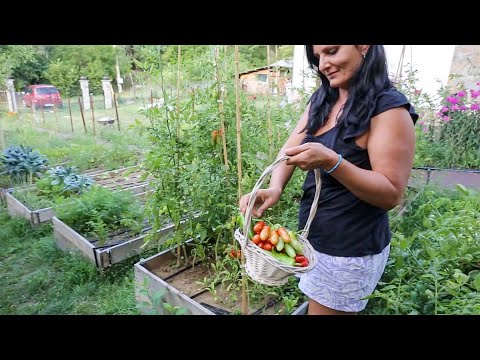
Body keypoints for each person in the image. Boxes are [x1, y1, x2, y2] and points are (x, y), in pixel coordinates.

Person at [239, 45, 418, 315]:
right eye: (318, 57)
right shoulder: (324, 98)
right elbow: (290, 149)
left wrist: (332, 162)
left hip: (349, 250)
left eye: (332, 51)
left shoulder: (388, 110)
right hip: (315, 241)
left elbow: (390, 194)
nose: (323, 64)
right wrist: (275, 187)